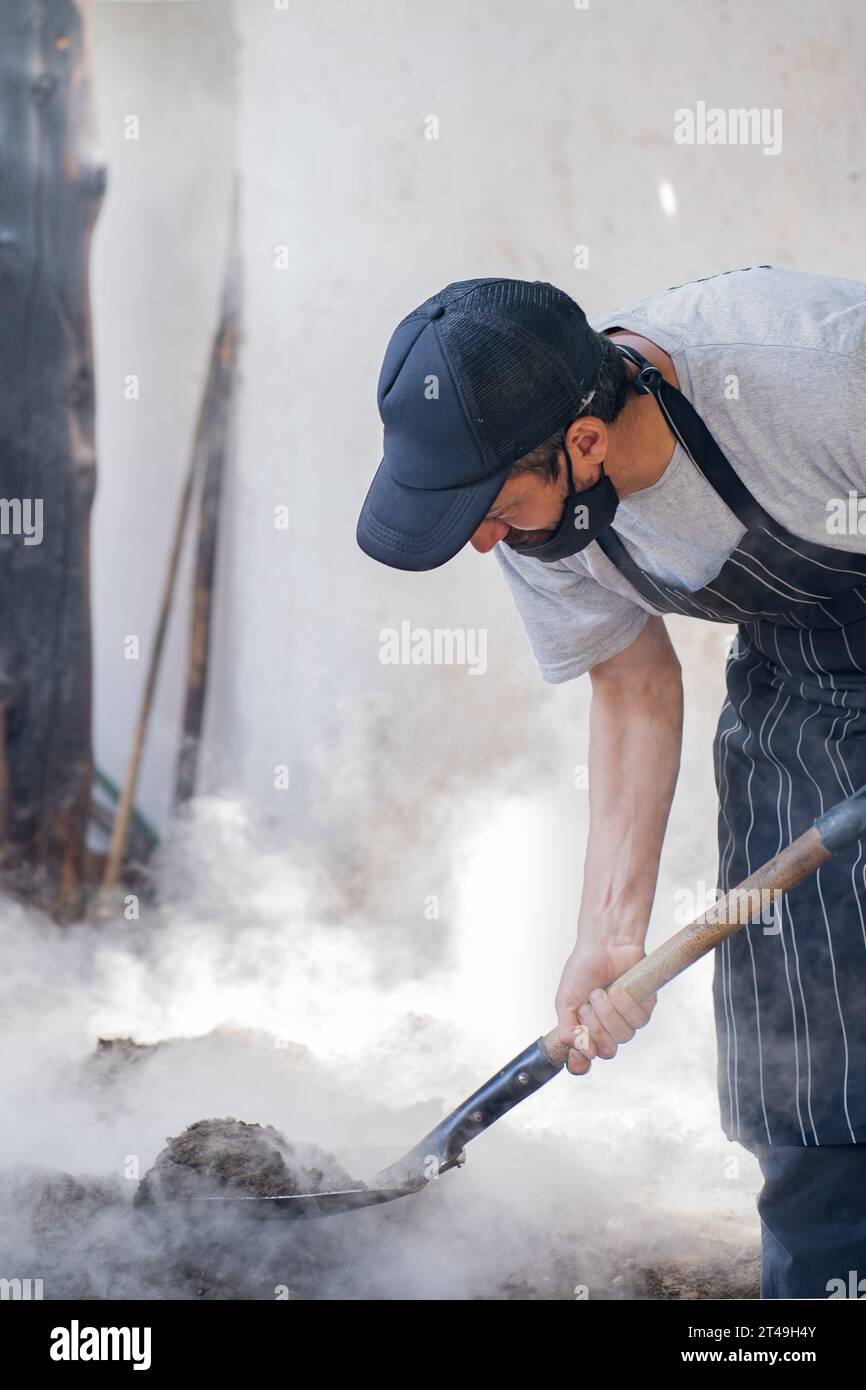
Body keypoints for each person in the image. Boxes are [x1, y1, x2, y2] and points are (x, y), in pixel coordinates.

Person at [356, 268, 866, 1299]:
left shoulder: (817, 379)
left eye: (493, 511)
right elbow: (633, 687)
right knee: (809, 1057)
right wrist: (608, 931)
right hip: (805, 682)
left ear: (583, 443)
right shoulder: (536, 506)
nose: (486, 540)